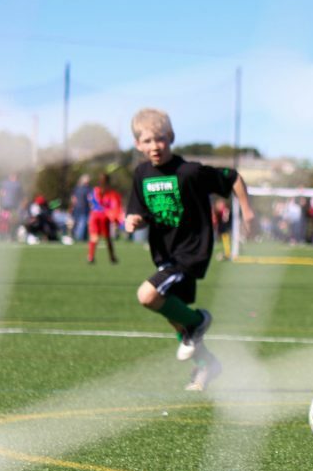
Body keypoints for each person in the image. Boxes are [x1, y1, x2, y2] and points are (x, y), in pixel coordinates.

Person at [124, 108, 254, 391]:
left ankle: (199, 321)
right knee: (175, 317)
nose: (154, 147)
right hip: (164, 255)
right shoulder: (141, 173)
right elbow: (139, 210)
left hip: (191, 253)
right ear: (137, 144)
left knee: (147, 295)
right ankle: (207, 365)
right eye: (147, 141)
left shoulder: (189, 172)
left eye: (159, 139)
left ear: (170, 137)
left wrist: (246, 211)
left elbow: (232, 177)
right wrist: (133, 219)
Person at [87, 173, 122, 264]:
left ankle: (91, 257)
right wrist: (115, 220)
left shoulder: (95, 190)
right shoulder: (111, 192)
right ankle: (112, 257)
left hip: (94, 215)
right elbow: (115, 206)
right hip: (104, 216)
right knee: (107, 238)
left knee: (94, 237)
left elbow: (91, 202)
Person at [71, 174, 92, 242]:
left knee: (80, 223)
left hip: (78, 208)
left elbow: (73, 199)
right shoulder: (88, 189)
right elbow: (90, 200)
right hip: (83, 209)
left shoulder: (77, 188)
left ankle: (80, 237)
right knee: (82, 224)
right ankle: (79, 237)